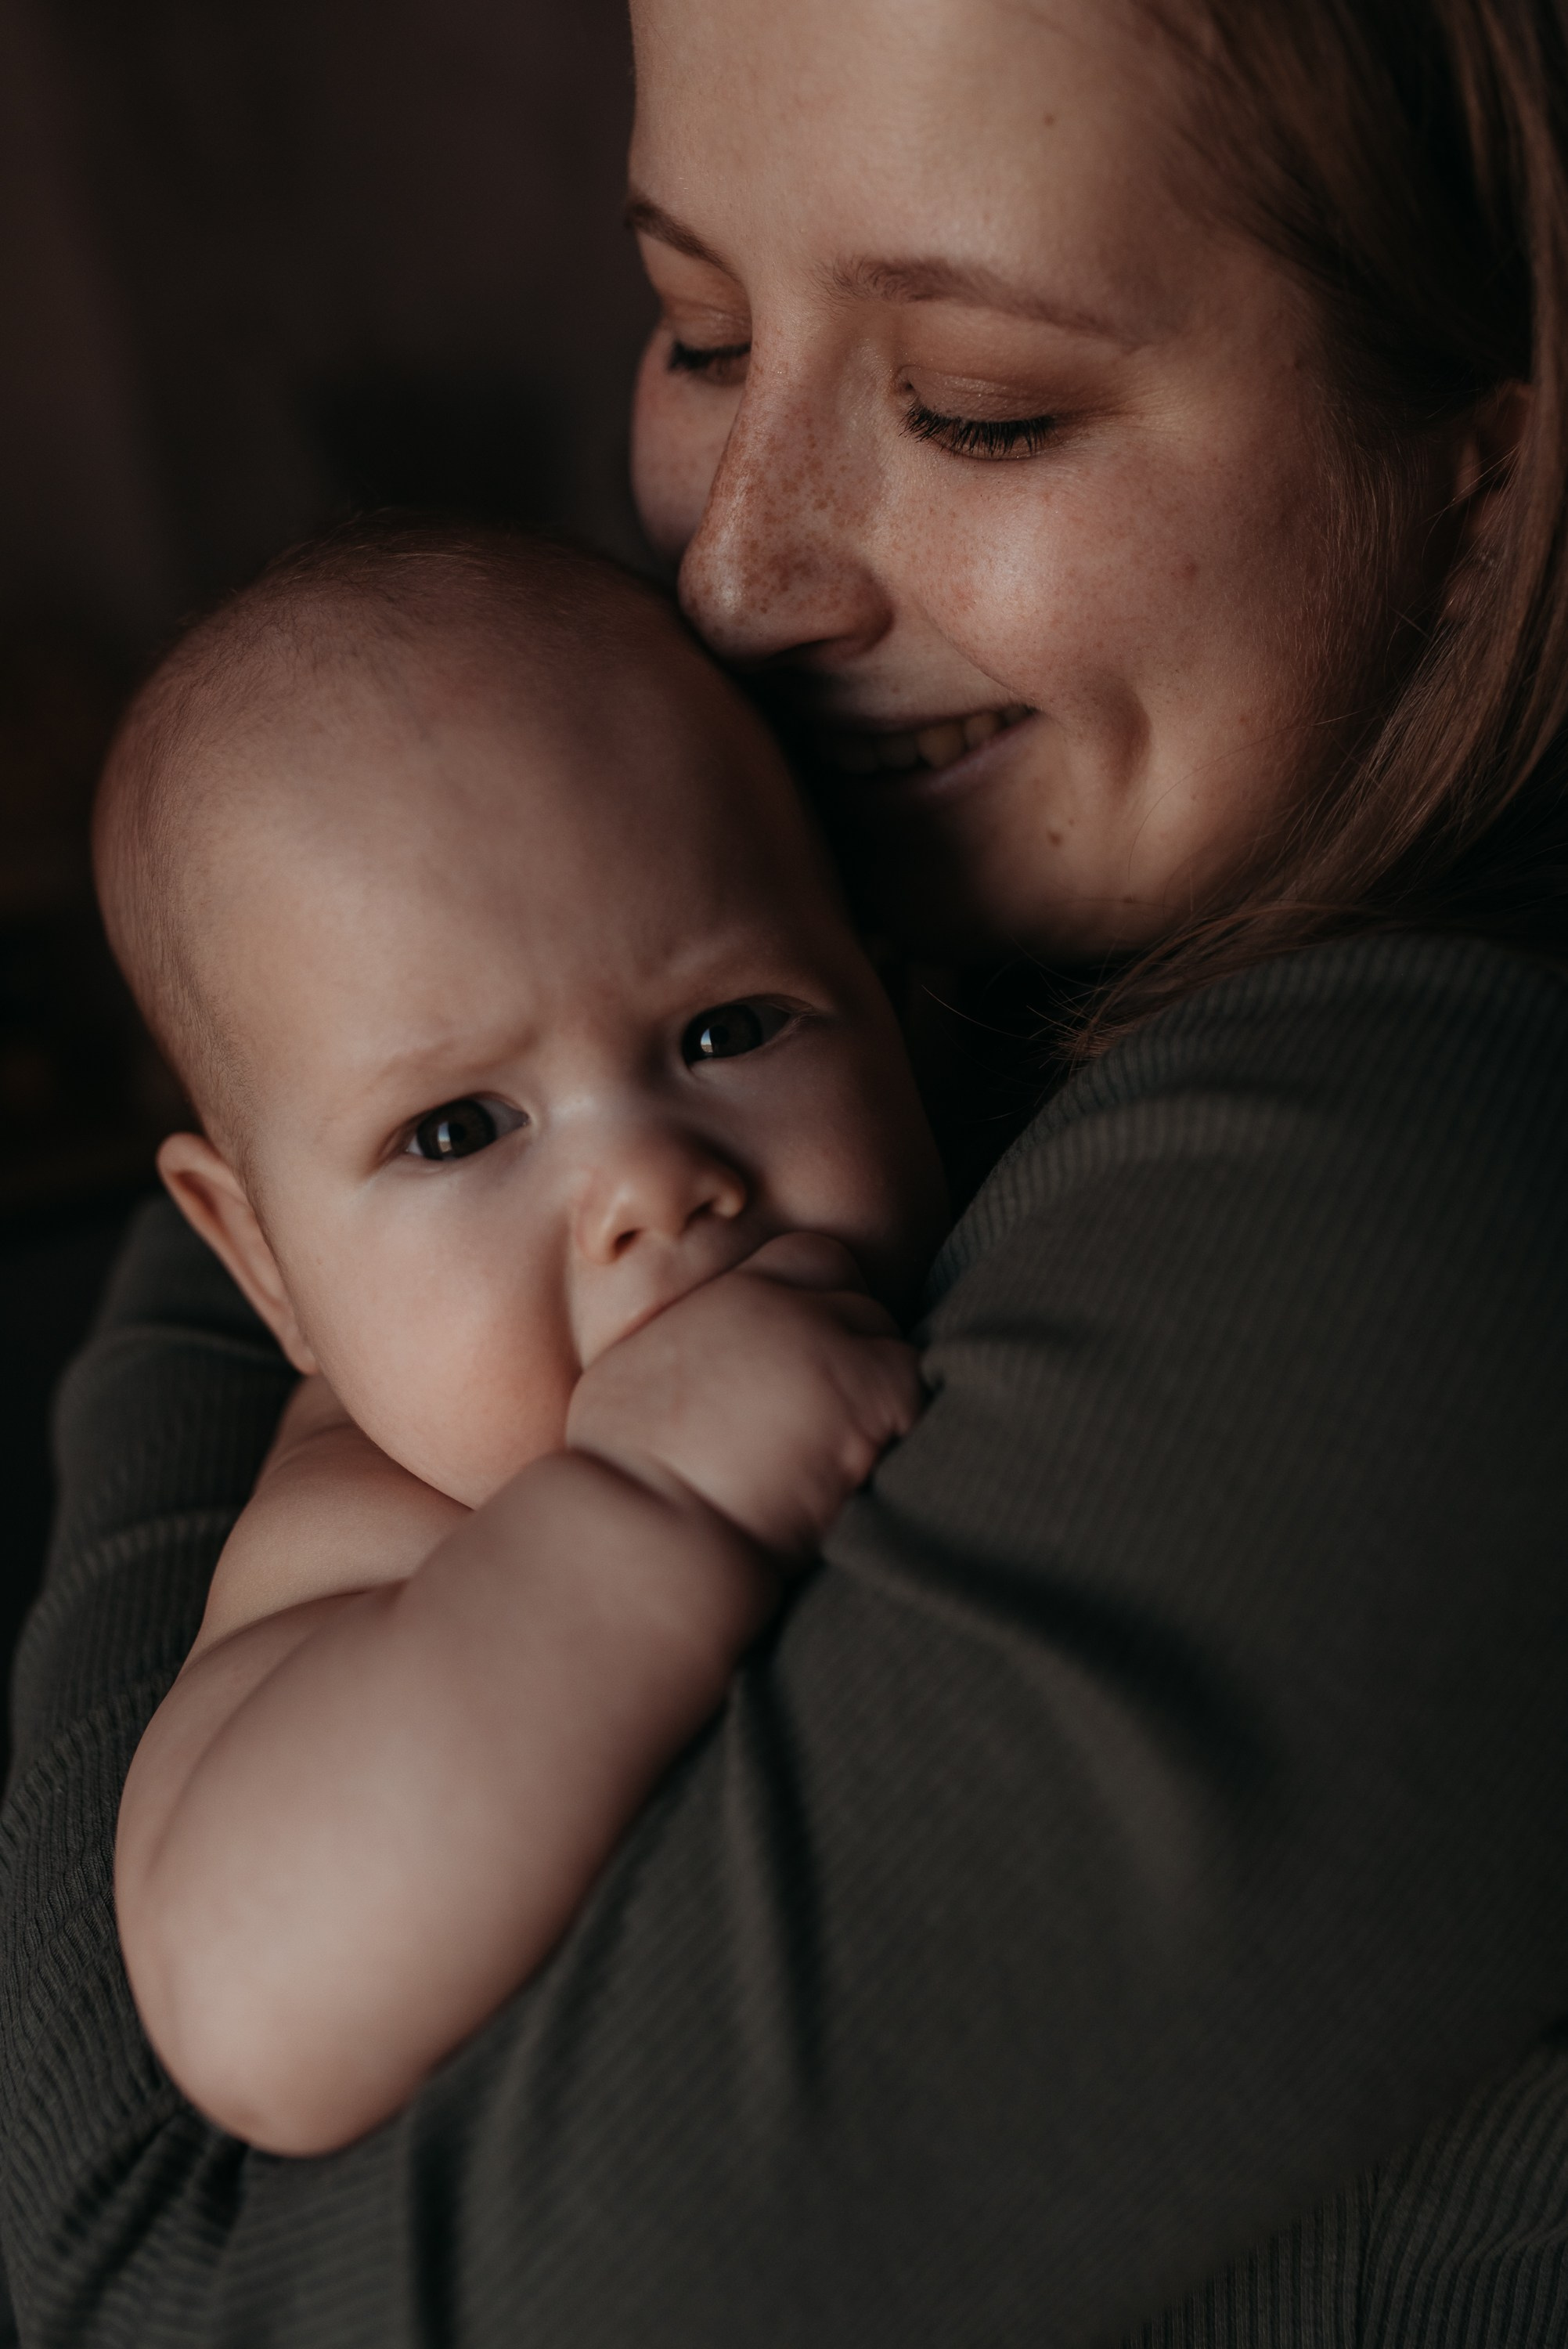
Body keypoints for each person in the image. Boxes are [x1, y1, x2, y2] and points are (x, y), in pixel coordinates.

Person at [5, 0, 1568, 2342]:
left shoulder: (1399, 1208)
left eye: (977, 406)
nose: (733, 583)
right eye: (700, 331)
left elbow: (166, 2282)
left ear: (1483, 465)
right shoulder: (949, 952)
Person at [99, 526, 943, 2156]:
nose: (647, 1184)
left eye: (728, 1028)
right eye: (457, 1130)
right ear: (259, 1257)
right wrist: (660, 1501)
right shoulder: (358, 1541)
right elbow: (257, 2002)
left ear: (890, 994)